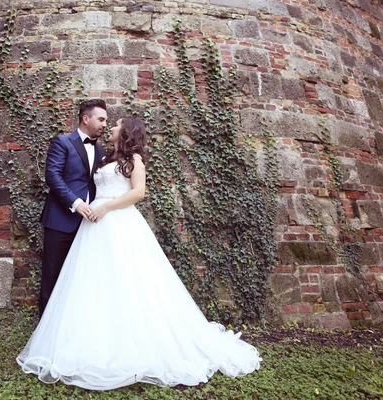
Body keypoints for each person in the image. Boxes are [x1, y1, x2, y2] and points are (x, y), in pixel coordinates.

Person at [18, 116, 261, 390]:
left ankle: (131, 343)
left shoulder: (135, 159)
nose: (109, 127)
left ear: (126, 131)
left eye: (115, 124)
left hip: (118, 222)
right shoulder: (104, 157)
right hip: (93, 226)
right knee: (93, 281)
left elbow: (138, 193)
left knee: (129, 279)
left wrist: (106, 207)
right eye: (105, 121)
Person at [39, 99, 107, 317]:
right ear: (86, 119)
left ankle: (75, 321)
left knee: (82, 275)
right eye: (101, 119)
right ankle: (46, 325)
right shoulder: (62, 142)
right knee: (53, 273)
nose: (105, 124)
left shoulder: (102, 151)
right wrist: (76, 203)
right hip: (61, 220)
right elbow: (53, 176)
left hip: (90, 225)